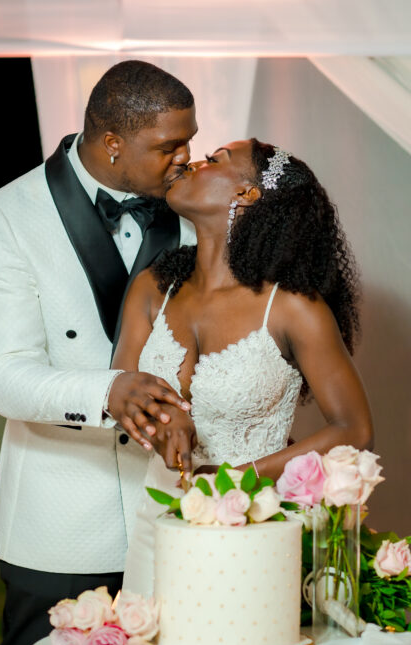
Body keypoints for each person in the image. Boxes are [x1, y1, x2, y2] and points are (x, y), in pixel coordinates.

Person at [0, 60, 199, 645]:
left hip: (176, 511)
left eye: (191, 142)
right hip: (59, 517)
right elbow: (5, 375)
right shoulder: (4, 216)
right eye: (170, 146)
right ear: (112, 142)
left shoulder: (196, 213)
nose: (186, 158)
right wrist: (108, 392)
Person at [113, 138, 374, 596]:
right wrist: (163, 418)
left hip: (252, 523)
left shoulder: (293, 309)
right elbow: (121, 388)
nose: (192, 161)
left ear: (245, 195)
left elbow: (354, 428)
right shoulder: (154, 287)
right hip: (157, 517)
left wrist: (240, 477)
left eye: (215, 160)